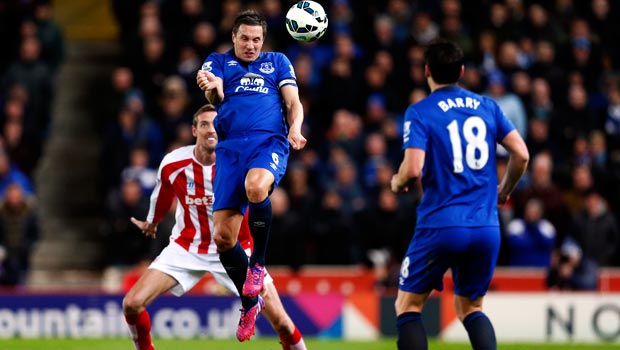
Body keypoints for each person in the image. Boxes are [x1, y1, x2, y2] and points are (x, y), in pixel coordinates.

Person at [122, 104, 307, 350]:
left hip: (236, 250)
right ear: (193, 130)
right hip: (186, 247)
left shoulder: (241, 162)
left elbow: (261, 188)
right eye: (204, 124)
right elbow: (163, 195)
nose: (211, 130)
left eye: (216, 125)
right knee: (132, 303)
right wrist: (152, 222)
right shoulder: (173, 163)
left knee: (282, 323)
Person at [390, 39, 529, 350]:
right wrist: (504, 191)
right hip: (486, 226)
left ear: (426, 70)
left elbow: (413, 170)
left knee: (408, 306)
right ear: (462, 71)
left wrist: (397, 183)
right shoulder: (488, 106)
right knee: (470, 308)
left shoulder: (421, 111)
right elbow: (521, 154)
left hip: (441, 224)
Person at [195, 9, 306, 341]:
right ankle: (249, 303)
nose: (251, 45)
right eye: (244, 38)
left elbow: (293, 102)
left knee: (257, 187)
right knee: (224, 239)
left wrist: (296, 129)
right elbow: (214, 96)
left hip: (267, 141)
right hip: (230, 151)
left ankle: (256, 266)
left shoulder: (277, 62)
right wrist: (213, 88)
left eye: (256, 39)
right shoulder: (217, 62)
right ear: (233, 37)